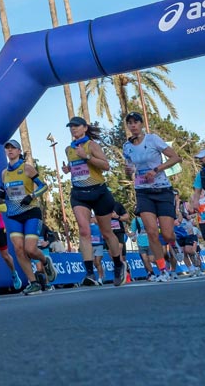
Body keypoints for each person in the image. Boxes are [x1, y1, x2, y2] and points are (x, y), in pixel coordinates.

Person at [62, 117, 127, 287]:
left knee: (106, 232)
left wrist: (87, 157)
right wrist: (68, 169)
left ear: (85, 128)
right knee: (84, 231)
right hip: (79, 194)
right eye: (71, 127)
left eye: (76, 126)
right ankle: (89, 272)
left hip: (99, 192)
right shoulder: (69, 149)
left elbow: (106, 166)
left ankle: (118, 265)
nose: (73, 129)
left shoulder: (92, 145)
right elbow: (77, 168)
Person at [121, 112, 182, 282]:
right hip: (143, 191)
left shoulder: (153, 139)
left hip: (162, 189)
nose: (133, 125)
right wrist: (129, 170)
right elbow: (130, 167)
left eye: (136, 122)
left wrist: (156, 170)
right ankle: (162, 270)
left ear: (141, 124)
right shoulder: (127, 146)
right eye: (130, 123)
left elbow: (176, 158)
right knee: (151, 232)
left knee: (167, 234)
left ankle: (173, 244)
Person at [0, 140, 54, 294]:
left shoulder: (27, 168)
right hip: (13, 215)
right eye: (7, 148)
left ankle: (45, 261)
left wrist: (32, 196)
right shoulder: (4, 173)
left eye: (13, 148)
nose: (10, 150)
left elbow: (44, 186)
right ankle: (33, 282)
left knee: (30, 249)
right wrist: (2, 195)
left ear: (19, 151)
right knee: (18, 249)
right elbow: (7, 193)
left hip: (30, 211)